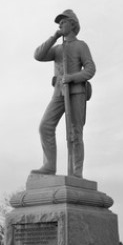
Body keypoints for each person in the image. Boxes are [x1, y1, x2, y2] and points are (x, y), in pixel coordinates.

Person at [32, 9, 96, 178]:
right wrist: (54, 36)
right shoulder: (57, 49)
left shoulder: (81, 45)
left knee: (75, 132)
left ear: (73, 24)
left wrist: (73, 77)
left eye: (63, 22)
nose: (60, 25)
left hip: (76, 92)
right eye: (59, 23)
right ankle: (49, 165)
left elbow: (90, 69)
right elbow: (38, 55)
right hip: (59, 92)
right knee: (45, 126)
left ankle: (76, 173)